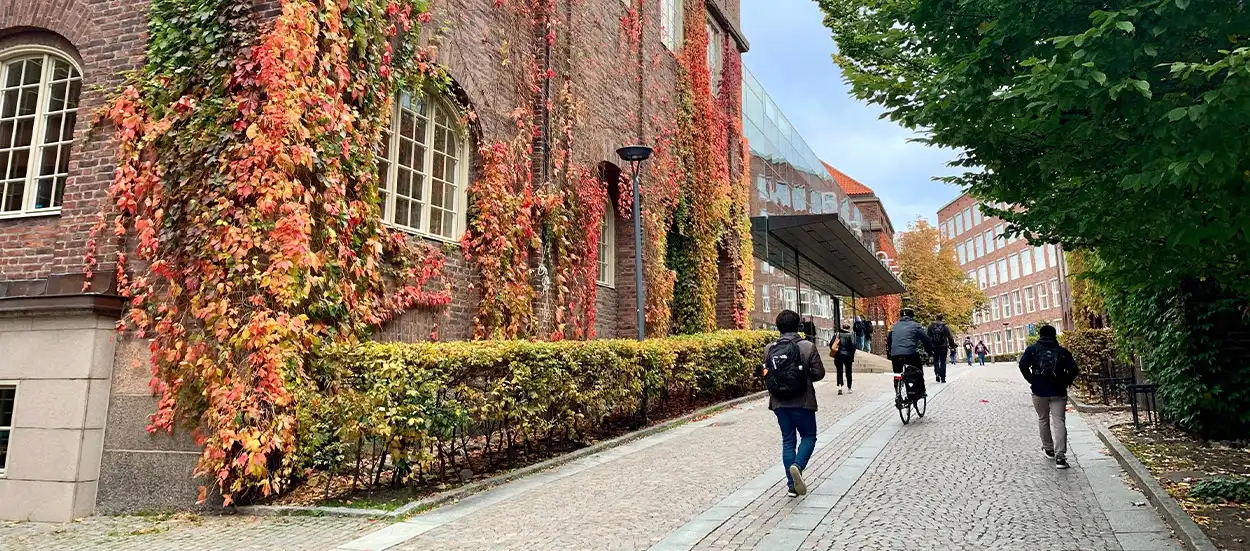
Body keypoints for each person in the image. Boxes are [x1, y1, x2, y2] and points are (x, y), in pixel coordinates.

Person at [761, 310, 826, 496]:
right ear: (799, 326)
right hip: (803, 400)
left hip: (779, 402)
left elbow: (767, 373)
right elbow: (819, 373)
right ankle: (798, 466)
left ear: (778, 327)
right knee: (808, 436)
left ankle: (791, 486)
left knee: (788, 440)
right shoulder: (807, 346)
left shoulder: (769, 348)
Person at [1018, 325, 1080, 469]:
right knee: (1059, 421)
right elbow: (1074, 370)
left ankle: (1048, 449)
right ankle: (1060, 456)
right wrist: (1065, 382)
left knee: (1043, 419)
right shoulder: (1063, 351)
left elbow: (1022, 365)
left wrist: (1032, 380)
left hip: (1039, 391)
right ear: (1054, 335)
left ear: (1040, 335)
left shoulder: (1032, 350)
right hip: (1058, 391)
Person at [887, 308, 933, 396]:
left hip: (896, 354)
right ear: (912, 316)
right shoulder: (915, 326)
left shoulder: (894, 326)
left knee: (897, 373)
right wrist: (929, 352)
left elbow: (889, 340)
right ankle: (921, 391)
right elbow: (926, 339)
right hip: (910, 353)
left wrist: (890, 352)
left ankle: (898, 392)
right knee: (918, 370)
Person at [927, 314, 956, 383]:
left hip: (934, 346)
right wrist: (952, 346)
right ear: (942, 318)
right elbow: (950, 337)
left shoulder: (930, 326)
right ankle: (943, 378)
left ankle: (937, 373)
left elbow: (927, 337)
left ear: (935, 318)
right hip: (943, 346)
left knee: (936, 360)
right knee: (943, 362)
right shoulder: (945, 327)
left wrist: (929, 347)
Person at [830, 323, 856, 395]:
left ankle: (840, 386)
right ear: (848, 328)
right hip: (848, 356)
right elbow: (853, 346)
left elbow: (831, 344)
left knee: (839, 371)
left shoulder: (837, 334)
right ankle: (849, 388)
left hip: (838, 355)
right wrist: (852, 354)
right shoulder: (851, 335)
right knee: (848, 371)